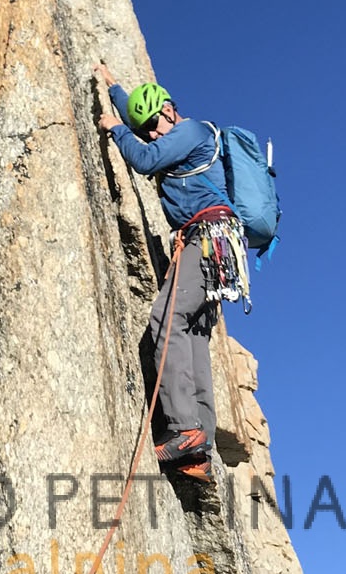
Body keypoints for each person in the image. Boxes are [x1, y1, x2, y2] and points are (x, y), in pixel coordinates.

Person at [94, 65, 239, 479]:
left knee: (166, 319)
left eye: (155, 125)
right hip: (216, 249)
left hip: (207, 239)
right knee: (191, 337)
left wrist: (114, 129)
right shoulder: (170, 130)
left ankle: (185, 429)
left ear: (170, 111)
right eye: (147, 128)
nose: (153, 134)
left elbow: (143, 158)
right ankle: (199, 449)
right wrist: (114, 87)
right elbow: (145, 126)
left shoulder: (191, 131)